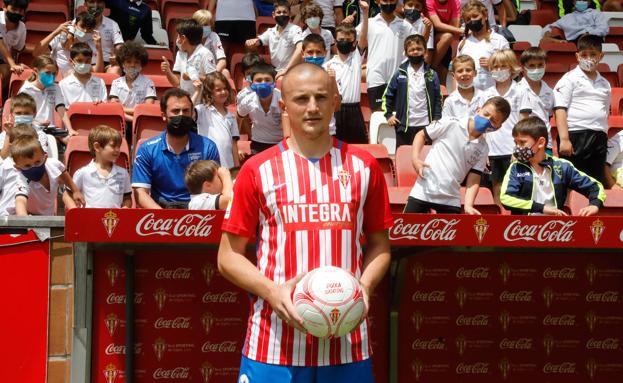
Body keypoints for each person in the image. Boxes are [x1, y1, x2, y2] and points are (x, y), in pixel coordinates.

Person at [218, 62, 393, 382]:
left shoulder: (364, 167)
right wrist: (272, 292)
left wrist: (364, 288)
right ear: (284, 105)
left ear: (335, 102)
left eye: (321, 98)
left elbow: (380, 246)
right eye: (301, 99)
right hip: (273, 346)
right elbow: (227, 256)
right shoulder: (257, 170)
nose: (312, 107)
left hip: (347, 345)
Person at [405, 96, 510, 213]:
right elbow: (421, 135)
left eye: (493, 121)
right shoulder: (450, 123)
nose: (487, 120)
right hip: (422, 192)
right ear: (478, 110)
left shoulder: (483, 148)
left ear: (498, 127)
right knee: (404, 230)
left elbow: (474, 179)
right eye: (486, 114)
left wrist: (468, 205)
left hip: (451, 199)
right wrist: (415, 159)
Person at [131, 88, 220, 209]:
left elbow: (215, 188)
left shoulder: (208, 147)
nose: (181, 115)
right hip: (161, 213)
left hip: (198, 213)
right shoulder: (147, 150)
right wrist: (165, 217)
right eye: (175, 111)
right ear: (163, 115)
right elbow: (141, 193)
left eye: (186, 110)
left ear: (192, 113)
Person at [501, 116, 605, 216]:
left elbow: (595, 187)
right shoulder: (515, 167)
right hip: (524, 229)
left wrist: (595, 204)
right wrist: (541, 208)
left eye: (522, 142)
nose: (517, 147)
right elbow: (506, 198)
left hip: (555, 229)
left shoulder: (562, 166)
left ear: (541, 142)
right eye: (516, 143)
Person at [554, 34, 610, 185]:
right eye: (584, 55)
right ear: (577, 56)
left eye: (593, 55)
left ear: (601, 56)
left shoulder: (605, 83)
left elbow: (605, 110)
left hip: (598, 137)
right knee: (572, 180)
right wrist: (565, 139)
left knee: (595, 181)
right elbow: (560, 109)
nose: (588, 58)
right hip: (575, 135)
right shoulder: (569, 79)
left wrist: (603, 136)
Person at [382, 34, 442, 148]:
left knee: (425, 159)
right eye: (412, 49)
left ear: (425, 52)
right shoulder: (399, 73)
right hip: (404, 126)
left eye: (419, 49)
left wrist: (436, 119)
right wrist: (389, 115)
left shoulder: (431, 74)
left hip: (426, 126)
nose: (415, 52)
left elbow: (438, 99)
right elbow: (387, 96)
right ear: (406, 53)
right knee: (404, 159)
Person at [481, 49, 523, 205]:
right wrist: (483, 151)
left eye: (503, 66)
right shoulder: (486, 94)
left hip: (513, 150)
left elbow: (523, 123)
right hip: (492, 150)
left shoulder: (520, 90)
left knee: (516, 190)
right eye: (495, 67)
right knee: (497, 189)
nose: (499, 70)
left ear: (512, 68)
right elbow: (482, 125)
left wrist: (518, 149)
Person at [357, 0, 416, 111]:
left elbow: (418, 45)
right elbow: (359, 44)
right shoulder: (369, 23)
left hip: (398, 78)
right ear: (378, 1)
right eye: (385, 0)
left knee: (397, 117)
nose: (388, 3)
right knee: (377, 114)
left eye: (392, 0)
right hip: (375, 78)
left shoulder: (406, 26)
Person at [324, 11, 368, 144]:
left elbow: (364, 35)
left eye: (348, 40)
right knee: (335, 148)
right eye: (341, 40)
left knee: (358, 147)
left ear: (354, 42)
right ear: (335, 41)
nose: (344, 42)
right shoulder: (327, 65)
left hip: (354, 110)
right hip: (335, 111)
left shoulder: (356, 58)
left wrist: (365, 14)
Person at [13, 135, 85, 216]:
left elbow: (63, 172)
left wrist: (75, 190)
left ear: (45, 157)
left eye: (37, 162)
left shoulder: (54, 164)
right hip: (31, 218)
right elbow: (20, 201)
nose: (33, 167)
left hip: (49, 216)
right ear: (18, 167)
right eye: (27, 166)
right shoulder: (21, 180)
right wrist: (26, 221)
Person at [63, 125, 132, 209]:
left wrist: (125, 208)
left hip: (113, 220)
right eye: (113, 146)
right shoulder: (83, 172)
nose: (117, 150)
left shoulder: (123, 173)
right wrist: (75, 212)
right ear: (97, 147)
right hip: (89, 220)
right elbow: (67, 195)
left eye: (119, 146)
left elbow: (127, 198)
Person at [457, 0, 509, 90]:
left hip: (494, 96)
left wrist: (494, 65)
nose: (472, 20)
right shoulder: (463, 44)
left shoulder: (500, 41)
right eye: (468, 19)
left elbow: (510, 71)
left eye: (475, 16)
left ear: (485, 16)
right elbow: (456, 73)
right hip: (469, 97)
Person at [193, 71, 240, 169]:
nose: (223, 92)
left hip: (228, 166)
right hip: (208, 167)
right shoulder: (202, 110)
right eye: (218, 90)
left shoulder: (231, 116)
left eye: (225, 88)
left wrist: (236, 167)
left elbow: (234, 144)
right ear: (209, 93)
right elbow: (187, 110)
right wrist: (197, 91)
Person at [17, 55, 74, 137]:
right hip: (31, 128)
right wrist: (37, 123)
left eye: (54, 74)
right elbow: (22, 116)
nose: (51, 76)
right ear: (36, 71)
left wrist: (70, 129)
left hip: (50, 129)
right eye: (47, 73)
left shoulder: (56, 87)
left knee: (69, 140)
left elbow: (61, 108)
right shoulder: (26, 90)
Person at [245, 1, 304, 77]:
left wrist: (286, 70)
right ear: (273, 15)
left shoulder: (295, 29)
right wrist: (251, 42)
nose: (281, 14)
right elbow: (257, 42)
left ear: (289, 14)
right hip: (274, 70)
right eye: (278, 12)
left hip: (291, 70)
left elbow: (300, 49)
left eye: (284, 12)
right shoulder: (270, 31)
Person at [36, 11, 104, 76]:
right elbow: (36, 53)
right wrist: (55, 33)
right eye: (82, 27)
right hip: (55, 76)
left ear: (93, 30)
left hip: (76, 79)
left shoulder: (92, 44)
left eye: (89, 29)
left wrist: (99, 47)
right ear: (74, 25)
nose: (85, 31)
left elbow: (98, 71)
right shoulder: (60, 36)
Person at [236, 62, 284, 154]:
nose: (263, 83)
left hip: (280, 143)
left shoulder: (283, 99)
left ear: (274, 82)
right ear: (252, 83)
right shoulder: (247, 101)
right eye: (258, 80)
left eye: (267, 80)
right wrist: (236, 143)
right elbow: (239, 117)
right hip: (258, 143)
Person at [162, 19, 216, 95]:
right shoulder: (180, 54)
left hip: (202, 103)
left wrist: (193, 76)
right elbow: (176, 83)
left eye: (178, 36)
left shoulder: (205, 53)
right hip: (185, 102)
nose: (177, 40)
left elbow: (214, 81)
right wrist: (168, 71)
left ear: (183, 38)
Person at [109, 41, 157, 123]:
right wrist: (132, 117)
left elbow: (147, 108)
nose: (132, 65)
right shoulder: (116, 83)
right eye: (128, 62)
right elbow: (114, 108)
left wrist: (123, 110)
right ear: (122, 63)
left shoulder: (148, 83)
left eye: (136, 62)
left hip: (141, 122)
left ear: (141, 64)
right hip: (121, 121)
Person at [518, 47, 554, 155]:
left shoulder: (550, 91)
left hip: (546, 144)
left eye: (540, 65)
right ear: (523, 67)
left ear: (545, 66)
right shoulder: (518, 89)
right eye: (532, 66)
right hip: (525, 144)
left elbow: (548, 116)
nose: (536, 69)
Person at [0, 124, 39, 216]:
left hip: (33, 217)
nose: (26, 147)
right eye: (21, 143)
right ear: (11, 145)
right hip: (6, 218)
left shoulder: (39, 167)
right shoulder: (4, 167)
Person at [0, 93, 50, 159]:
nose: (22, 115)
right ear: (12, 114)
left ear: (34, 114)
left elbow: (41, 158)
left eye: (27, 113)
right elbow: (3, 157)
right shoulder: (5, 134)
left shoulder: (40, 134)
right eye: (18, 113)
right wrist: (8, 134)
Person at [59, 43, 108, 107]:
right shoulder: (63, 84)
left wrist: (101, 104)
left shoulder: (100, 82)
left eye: (87, 61)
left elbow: (104, 105)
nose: (84, 64)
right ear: (71, 62)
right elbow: (64, 109)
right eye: (79, 60)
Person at [426, 0, 462, 84]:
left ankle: (431, 71)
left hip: (448, 40)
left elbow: (455, 25)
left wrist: (454, 54)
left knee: (442, 84)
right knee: (447, 36)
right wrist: (461, 30)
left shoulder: (455, 2)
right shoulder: (429, 1)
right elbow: (437, 25)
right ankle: (431, 69)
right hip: (431, 37)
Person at [83, 0, 124, 73]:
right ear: (85, 4)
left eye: (99, 2)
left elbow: (119, 45)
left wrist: (117, 56)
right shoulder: (77, 23)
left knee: (115, 71)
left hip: (107, 63)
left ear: (104, 5)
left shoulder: (112, 24)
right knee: (84, 70)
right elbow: (70, 43)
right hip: (85, 62)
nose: (95, 5)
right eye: (92, 2)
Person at [442, 55, 485, 119]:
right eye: (460, 71)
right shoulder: (450, 101)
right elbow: (446, 125)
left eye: (468, 70)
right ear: (453, 75)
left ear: (475, 73)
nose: (464, 73)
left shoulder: (484, 97)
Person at [543, 0, 608, 42]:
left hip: (593, 39)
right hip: (574, 41)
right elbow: (549, 26)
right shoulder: (568, 17)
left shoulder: (596, 13)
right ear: (574, 2)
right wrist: (547, 32)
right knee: (545, 40)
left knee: (588, 40)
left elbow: (604, 29)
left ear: (589, 2)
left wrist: (588, 33)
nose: (582, 1)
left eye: (585, 0)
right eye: (579, 0)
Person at [192, 9, 230, 79]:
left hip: (212, 72)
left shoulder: (214, 36)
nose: (203, 27)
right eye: (200, 24)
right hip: (194, 72)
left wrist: (212, 75)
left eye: (206, 24)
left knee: (225, 72)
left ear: (211, 25)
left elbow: (222, 61)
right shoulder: (189, 37)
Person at [0, 0, 27, 96]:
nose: (17, 13)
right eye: (14, 9)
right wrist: (13, 64)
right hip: (7, 61)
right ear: (4, 6)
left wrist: (17, 65)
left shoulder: (22, 28)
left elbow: (18, 49)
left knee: (7, 72)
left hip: (3, 61)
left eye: (20, 10)